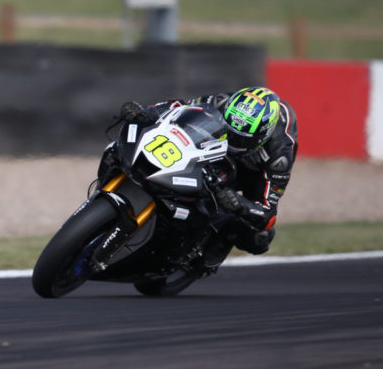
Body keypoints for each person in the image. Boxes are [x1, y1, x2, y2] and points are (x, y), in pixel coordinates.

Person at [116, 86, 298, 261]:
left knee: (259, 237)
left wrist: (238, 204)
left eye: (241, 139)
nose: (234, 142)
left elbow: (268, 214)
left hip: (253, 174)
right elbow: (181, 108)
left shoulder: (279, 156)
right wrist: (145, 111)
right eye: (231, 132)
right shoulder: (223, 103)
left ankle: (217, 243)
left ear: (262, 136)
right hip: (217, 149)